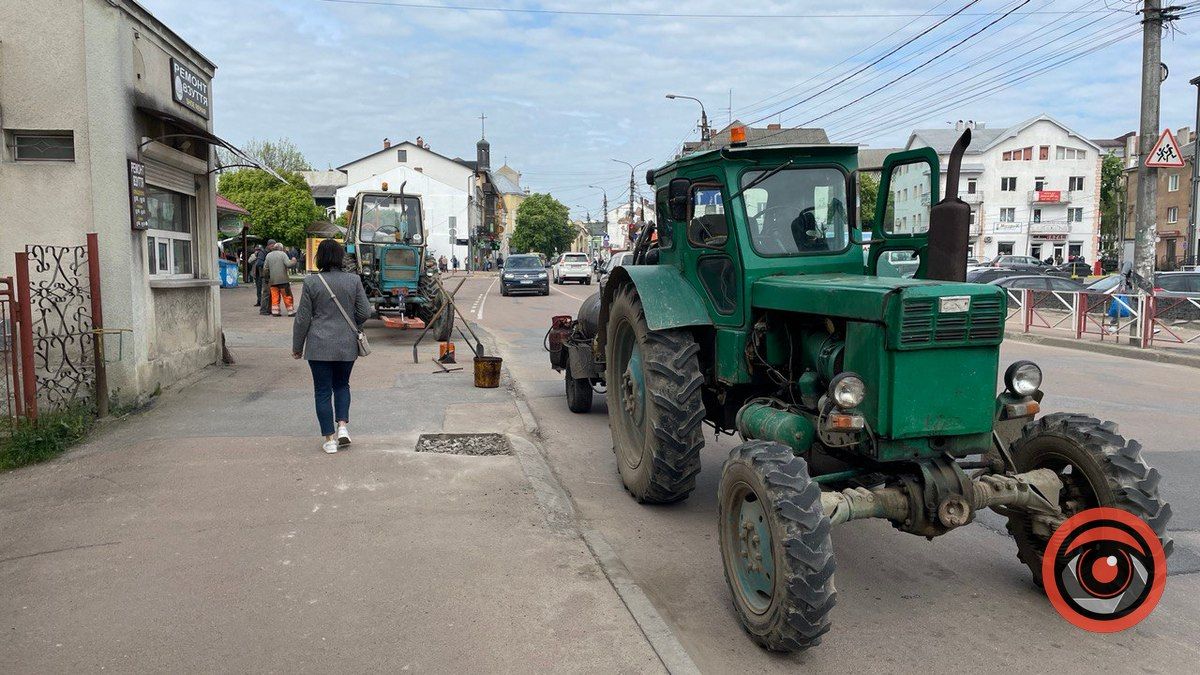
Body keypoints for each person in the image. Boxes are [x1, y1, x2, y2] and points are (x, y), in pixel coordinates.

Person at [293, 239, 372, 454]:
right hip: (346, 345)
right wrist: (352, 326)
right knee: (342, 385)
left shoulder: (311, 282)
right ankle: (343, 427)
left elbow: (302, 318)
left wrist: (297, 346)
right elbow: (365, 312)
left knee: (322, 391)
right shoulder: (354, 280)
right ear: (340, 257)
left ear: (320, 258)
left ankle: (329, 440)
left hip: (318, 346)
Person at [265, 242, 297, 316]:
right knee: (287, 295)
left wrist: (267, 278)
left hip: (272, 281)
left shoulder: (268, 255)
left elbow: (265, 268)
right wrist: (294, 261)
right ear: (281, 248)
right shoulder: (283, 254)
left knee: (275, 296)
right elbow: (288, 264)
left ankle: (275, 312)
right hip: (283, 280)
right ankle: (290, 311)